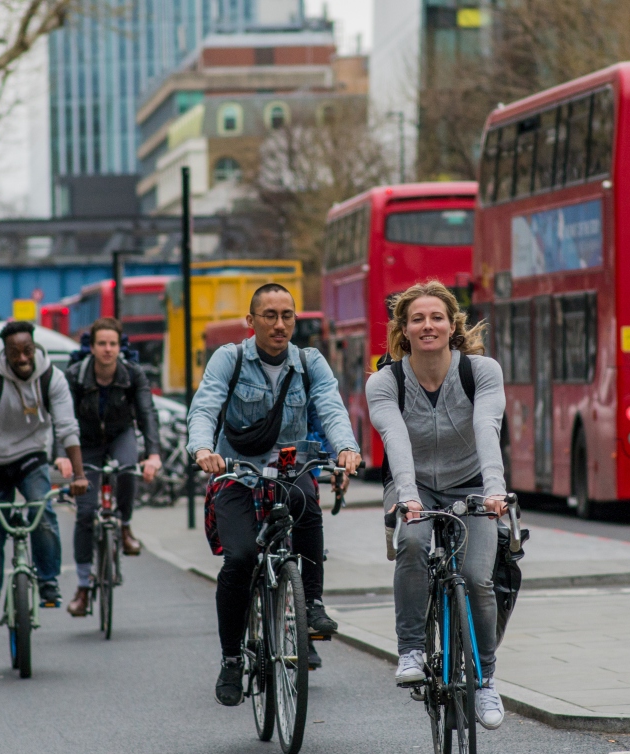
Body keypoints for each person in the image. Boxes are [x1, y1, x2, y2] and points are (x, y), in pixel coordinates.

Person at [187, 283, 361, 705]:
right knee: (242, 558)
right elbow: (205, 406)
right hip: (236, 473)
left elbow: (331, 407)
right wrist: (203, 450)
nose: (280, 324)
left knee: (306, 504)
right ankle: (232, 659)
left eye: (287, 315)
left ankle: (312, 603)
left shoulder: (308, 362)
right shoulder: (229, 359)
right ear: (251, 321)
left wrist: (346, 447)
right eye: (270, 315)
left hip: (286, 470)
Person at [365, 281, 509, 730]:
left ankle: (484, 681)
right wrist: (406, 496)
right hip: (415, 487)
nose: (428, 326)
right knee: (411, 544)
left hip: (472, 483)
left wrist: (494, 488)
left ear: (452, 325)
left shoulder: (481, 371)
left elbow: (487, 426)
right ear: (403, 330)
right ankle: (410, 648)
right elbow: (395, 440)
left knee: (476, 579)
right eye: (417, 319)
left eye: (436, 318)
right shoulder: (384, 381)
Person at [0, 321, 87, 629]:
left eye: (27, 350)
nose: (23, 358)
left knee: (42, 510)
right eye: (15, 353)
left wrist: (78, 475)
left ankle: (49, 581)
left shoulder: (52, 377)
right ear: (5, 353)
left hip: (31, 456)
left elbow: (67, 427)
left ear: (35, 347)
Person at [64, 317, 163, 617]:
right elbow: (63, 420)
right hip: (87, 442)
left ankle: (124, 525)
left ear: (120, 347)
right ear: (92, 347)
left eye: (113, 344)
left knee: (127, 469)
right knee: (84, 512)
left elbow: (147, 413)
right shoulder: (75, 376)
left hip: (121, 434)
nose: (108, 349)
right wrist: (63, 456)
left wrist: (154, 454)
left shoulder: (132, 374)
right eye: (102, 344)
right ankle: (82, 587)